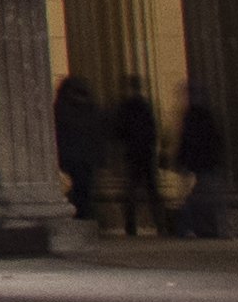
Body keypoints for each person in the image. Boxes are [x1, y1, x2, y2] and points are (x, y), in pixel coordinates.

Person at [105, 79, 166, 235]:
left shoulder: (126, 107)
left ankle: (132, 225)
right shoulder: (144, 106)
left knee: (133, 190)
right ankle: (159, 224)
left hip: (134, 153)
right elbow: (152, 131)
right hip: (145, 153)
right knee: (150, 190)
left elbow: (118, 131)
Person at [170, 91, 233, 238]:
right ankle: (211, 228)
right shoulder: (203, 116)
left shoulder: (193, 117)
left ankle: (198, 228)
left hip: (200, 162)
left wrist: (182, 160)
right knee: (209, 196)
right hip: (206, 162)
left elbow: (188, 141)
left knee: (200, 196)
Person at [52, 76, 107, 226]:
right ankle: (85, 216)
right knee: (84, 189)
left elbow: (60, 134)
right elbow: (98, 134)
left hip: (74, 157)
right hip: (85, 157)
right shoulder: (91, 108)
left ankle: (83, 216)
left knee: (80, 189)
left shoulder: (62, 108)